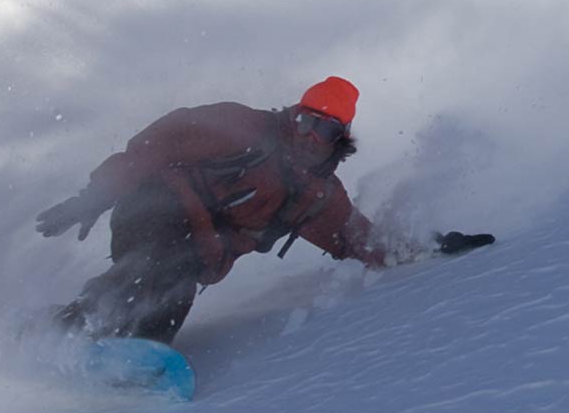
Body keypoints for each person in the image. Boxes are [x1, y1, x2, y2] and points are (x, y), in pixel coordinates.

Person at [37, 74, 490, 345]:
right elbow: (152, 149)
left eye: (327, 131)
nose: (312, 137)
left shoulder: (318, 197)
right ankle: (73, 326)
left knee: (175, 290)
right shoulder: (241, 128)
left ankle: (130, 353)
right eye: (308, 121)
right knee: (162, 265)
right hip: (153, 209)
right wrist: (95, 195)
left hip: (199, 251)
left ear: (341, 139)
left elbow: (360, 242)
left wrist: (431, 245)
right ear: (295, 115)